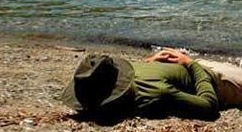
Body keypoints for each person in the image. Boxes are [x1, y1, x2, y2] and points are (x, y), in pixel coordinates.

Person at [60, 49, 219, 121]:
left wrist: (151, 61)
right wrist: (190, 63)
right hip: (212, 77)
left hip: (179, 68)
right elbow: (209, 106)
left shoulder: (100, 89)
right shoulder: (155, 94)